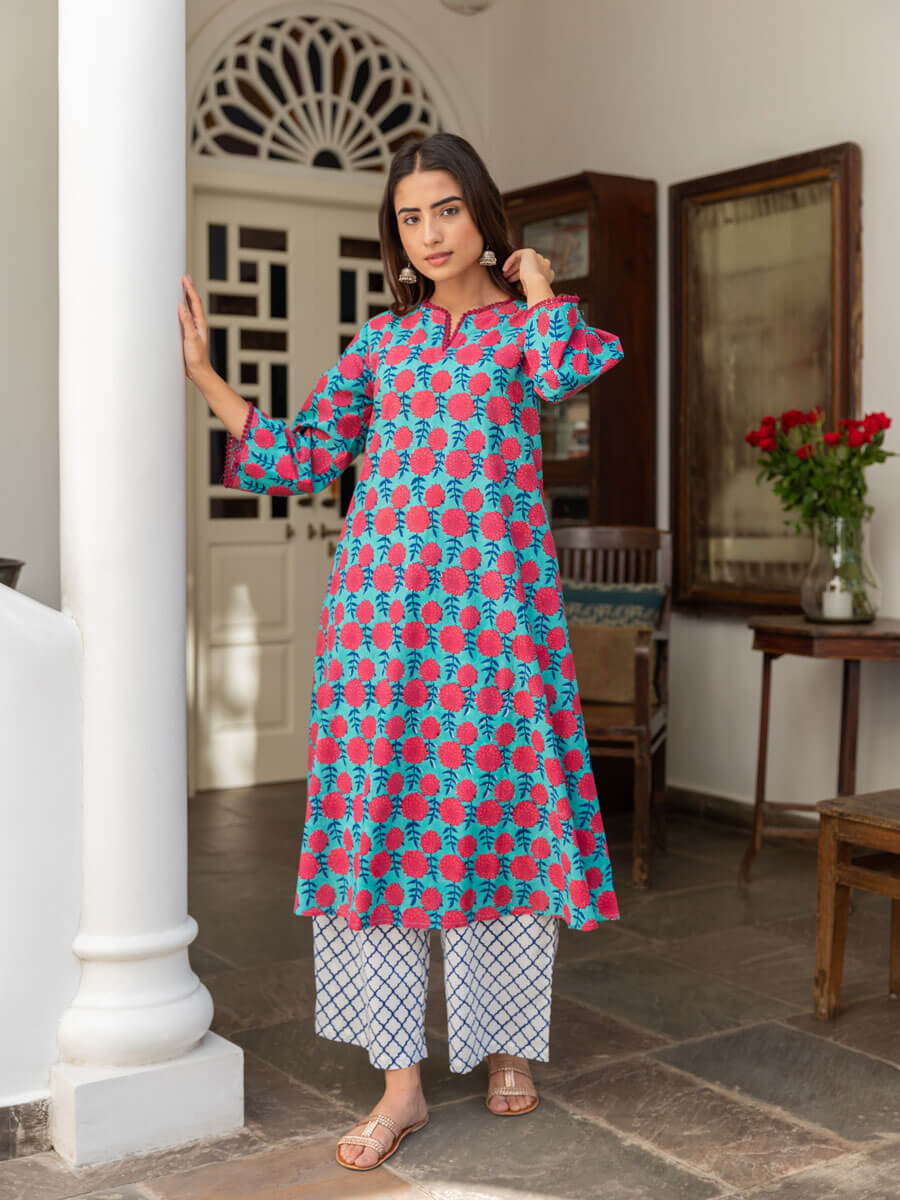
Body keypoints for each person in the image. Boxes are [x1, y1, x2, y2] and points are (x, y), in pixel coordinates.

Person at [178, 131, 623, 1173]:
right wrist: (206, 377)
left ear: (483, 217)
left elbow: (573, 367)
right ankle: (400, 1085)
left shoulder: (527, 333)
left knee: (498, 825)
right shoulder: (384, 345)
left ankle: (510, 1043)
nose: (429, 233)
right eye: (411, 217)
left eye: (448, 211)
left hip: (496, 634)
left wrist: (540, 284)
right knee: (379, 835)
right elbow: (301, 454)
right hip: (381, 635)